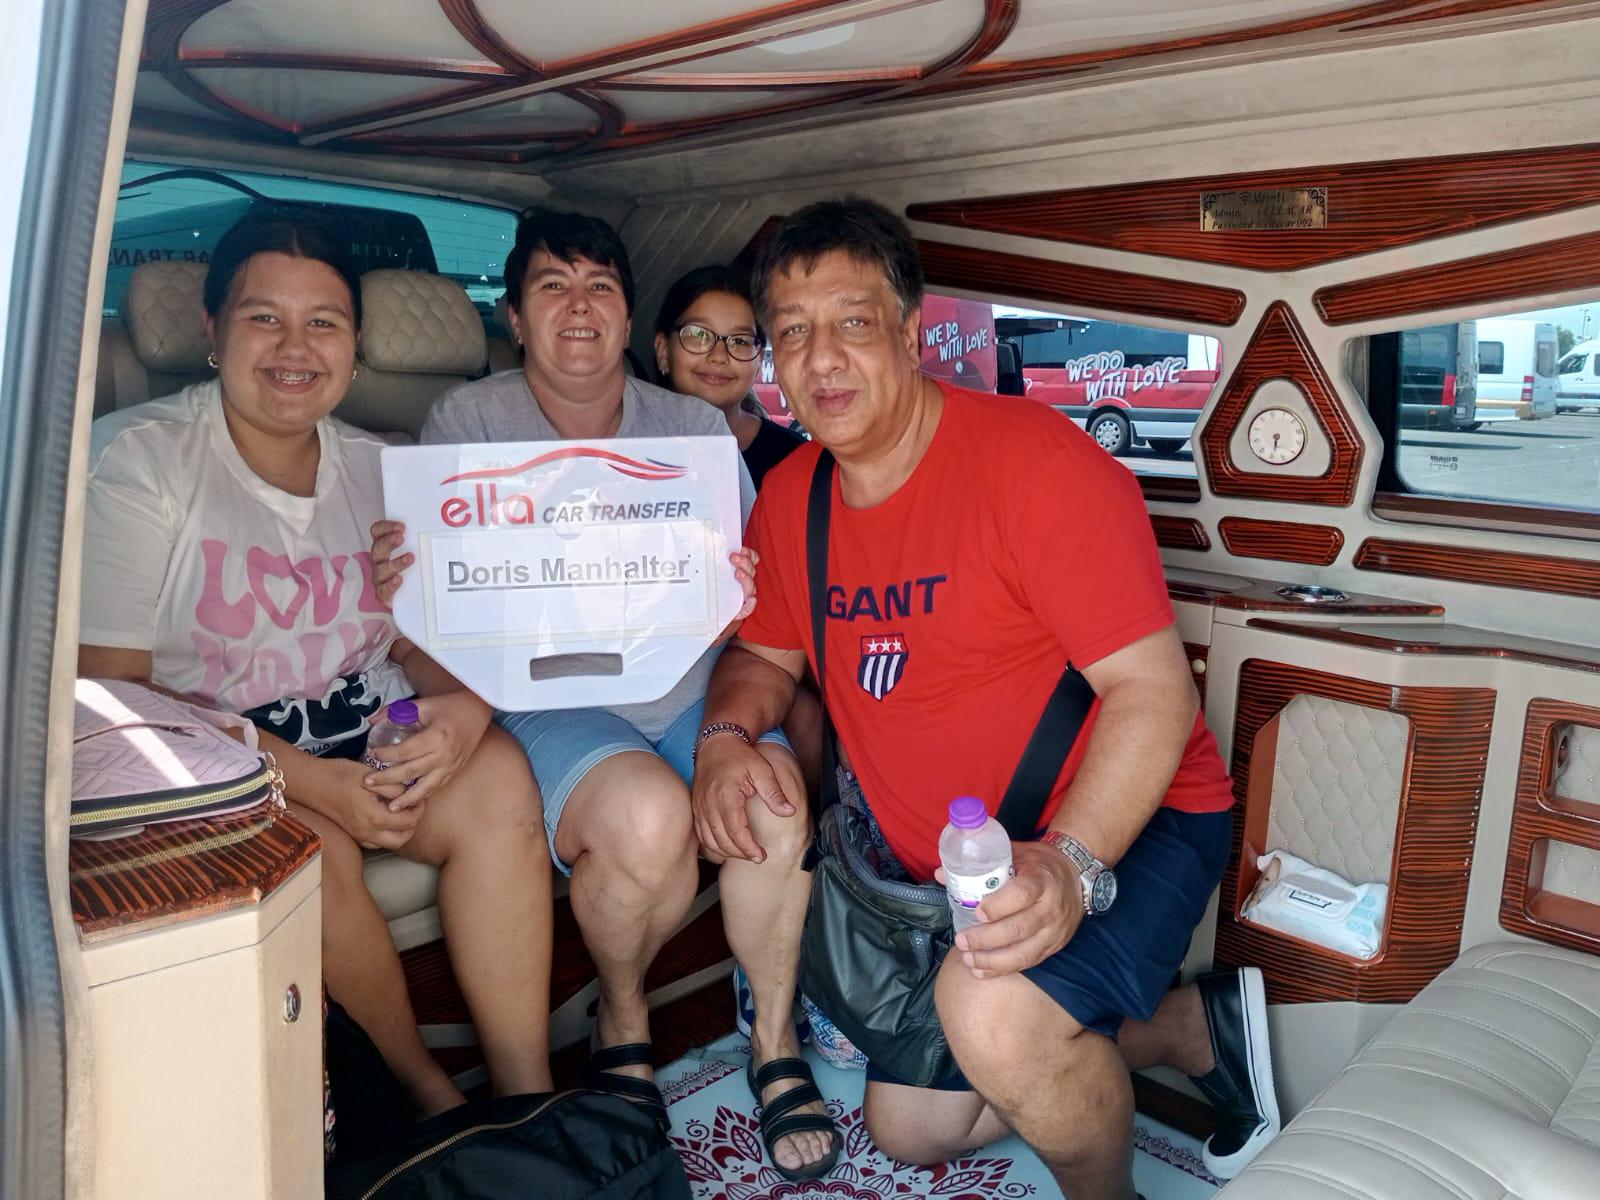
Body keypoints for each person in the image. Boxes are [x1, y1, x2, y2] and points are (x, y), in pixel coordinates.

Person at [692, 197, 1280, 1196]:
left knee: (994, 1022)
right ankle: (1189, 1027)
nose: (821, 357)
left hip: (1132, 820)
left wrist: (1071, 865)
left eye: (851, 322)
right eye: (791, 332)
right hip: (952, 868)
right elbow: (763, 659)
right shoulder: (794, 498)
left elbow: (1150, 693)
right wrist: (722, 737)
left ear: (911, 333)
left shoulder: (1037, 466)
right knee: (910, 1128)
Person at [371, 209, 839, 1179]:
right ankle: (623, 1014)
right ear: (515, 318)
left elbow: (748, 597)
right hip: (548, 697)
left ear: (627, 319)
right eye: (553, 286)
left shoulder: (691, 429)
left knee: (775, 800)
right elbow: (441, 601)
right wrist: (408, 581)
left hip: (686, 679)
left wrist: (744, 585)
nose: (578, 306)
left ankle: (772, 1036)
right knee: (644, 817)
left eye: (600, 288)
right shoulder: (467, 422)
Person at [77, 210, 555, 1119]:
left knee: (497, 777)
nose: (296, 348)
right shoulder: (139, 461)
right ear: (212, 329)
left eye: (324, 322)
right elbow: (114, 692)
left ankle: (526, 1096)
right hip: (224, 759)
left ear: (355, 345)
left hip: (374, 729)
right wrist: (314, 783)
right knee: (312, 849)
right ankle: (427, 1095)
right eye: (264, 317)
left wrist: (463, 712)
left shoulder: (385, 468)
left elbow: (412, 641)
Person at [652, 264, 806, 491]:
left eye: (740, 341)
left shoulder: (794, 459)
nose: (719, 356)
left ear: (758, 359)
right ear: (663, 350)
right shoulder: (625, 447)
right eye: (698, 334)